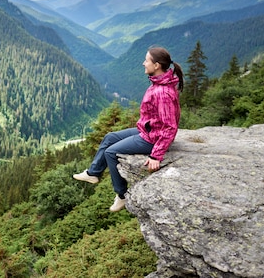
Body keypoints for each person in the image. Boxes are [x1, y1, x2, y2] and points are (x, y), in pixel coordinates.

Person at [73, 46, 184, 212]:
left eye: (147, 60)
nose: (143, 63)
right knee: (110, 137)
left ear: (157, 66)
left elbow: (170, 126)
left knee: (111, 152)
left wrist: (156, 155)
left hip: (153, 138)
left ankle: (121, 195)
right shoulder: (159, 83)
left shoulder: (162, 92)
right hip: (148, 130)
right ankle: (93, 173)